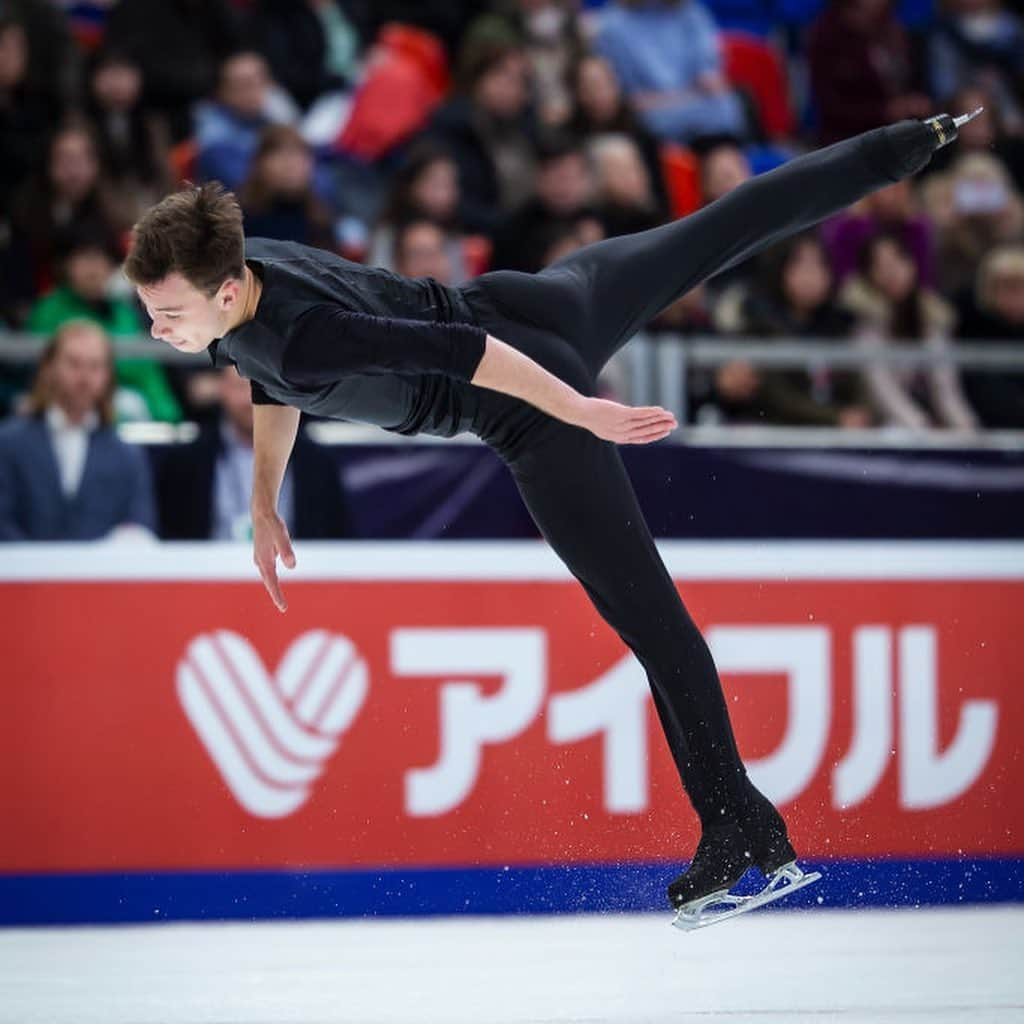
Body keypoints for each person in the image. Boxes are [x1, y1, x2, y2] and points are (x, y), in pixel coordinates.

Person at [123, 111, 967, 925]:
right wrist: (265, 501)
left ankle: (737, 832)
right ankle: (907, 142)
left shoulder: (304, 339)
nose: (157, 331)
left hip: (525, 396)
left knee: (652, 623)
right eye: (152, 313)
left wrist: (580, 410)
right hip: (542, 300)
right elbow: (265, 378)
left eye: (167, 315)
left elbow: (463, 357)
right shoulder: (240, 286)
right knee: (723, 226)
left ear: (225, 289)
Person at [0, 320, 156, 541]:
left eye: (94, 366)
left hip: (99, 574)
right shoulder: (8, 443)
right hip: (21, 572)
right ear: (49, 367)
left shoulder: (127, 455)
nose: (84, 376)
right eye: (74, 363)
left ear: (107, 375)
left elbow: (139, 528)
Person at [158, 365, 351, 540]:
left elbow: (337, 535)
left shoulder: (317, 462)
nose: (252, 400)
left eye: (262, 390)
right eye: (240, 387)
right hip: (208, 572)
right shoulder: (187, 460)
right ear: (222, 389)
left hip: (297, 571)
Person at [839, 232, 979, 430]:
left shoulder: (931, 319)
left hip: (931, 425)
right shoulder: (863, 326)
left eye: (898, 260)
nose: (892, 271)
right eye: (880, 265)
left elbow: (946, 389)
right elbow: (883, 393)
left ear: (912, 264)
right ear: (868, 274)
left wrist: (967, 429)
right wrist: (923, 429)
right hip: (883, 426)